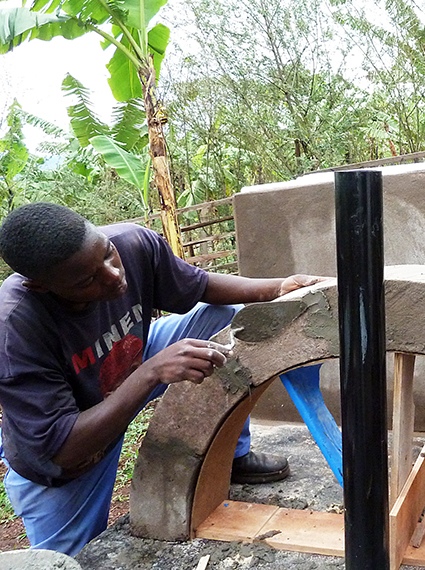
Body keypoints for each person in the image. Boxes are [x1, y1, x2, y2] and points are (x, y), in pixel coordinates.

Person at [0, 202, 328, 556]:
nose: (114, 277)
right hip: (74, 448)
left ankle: (230, 457)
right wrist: (152, 371)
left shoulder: (131, 242)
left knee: (226, 317)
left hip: (128, 361)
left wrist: (277, 287)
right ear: (40, 286)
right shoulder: (14, 329)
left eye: (108, 256)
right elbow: (62, 447)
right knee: (69, 560)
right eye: (87, 281)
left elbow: (201, 286)